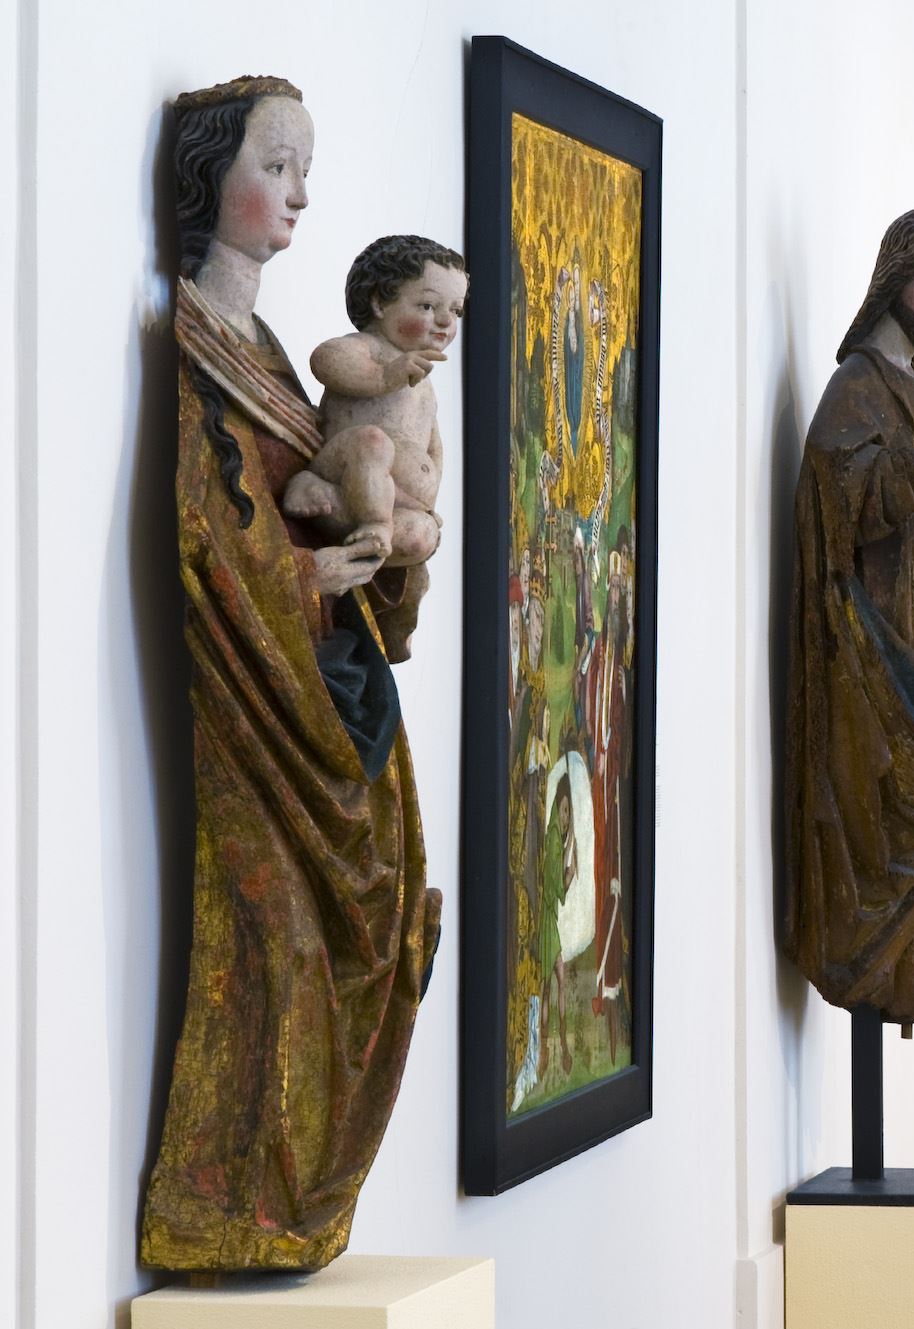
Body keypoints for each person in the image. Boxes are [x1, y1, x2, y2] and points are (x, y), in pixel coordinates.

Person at [142, 77, 441, 1273]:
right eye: (275, 166)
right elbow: (208, 530)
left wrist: (383, 551)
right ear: (208, 175)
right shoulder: (196, 345)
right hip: (263, 697)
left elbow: (311, 493)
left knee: (371, 919)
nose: (299, 195)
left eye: (303, 170)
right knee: (279, 945)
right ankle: (229, 1204)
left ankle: (291, 1197)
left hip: (327, 669)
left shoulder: (265, 351)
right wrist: (307, 572)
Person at [782, 209, 914, 1027]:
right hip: (881, 667)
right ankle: (869, 965)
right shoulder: (859, 388)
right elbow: (841, 496)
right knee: (883, 819)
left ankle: (897, 981)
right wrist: (904, 483)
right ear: (895, 286)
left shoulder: (911, 386)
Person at [283, 235, 465, 565]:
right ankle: (323, 491)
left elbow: (433, 445)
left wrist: (429, 495)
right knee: (372, 442)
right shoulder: (371, 349)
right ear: (380, 303)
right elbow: (325, 359)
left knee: (421, 536)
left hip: (389, 501)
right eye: (428, 306)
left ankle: (357, 529)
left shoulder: (423, 382)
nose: (446, 321)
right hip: (346, 473)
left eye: (456, 310)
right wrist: (384, 377)